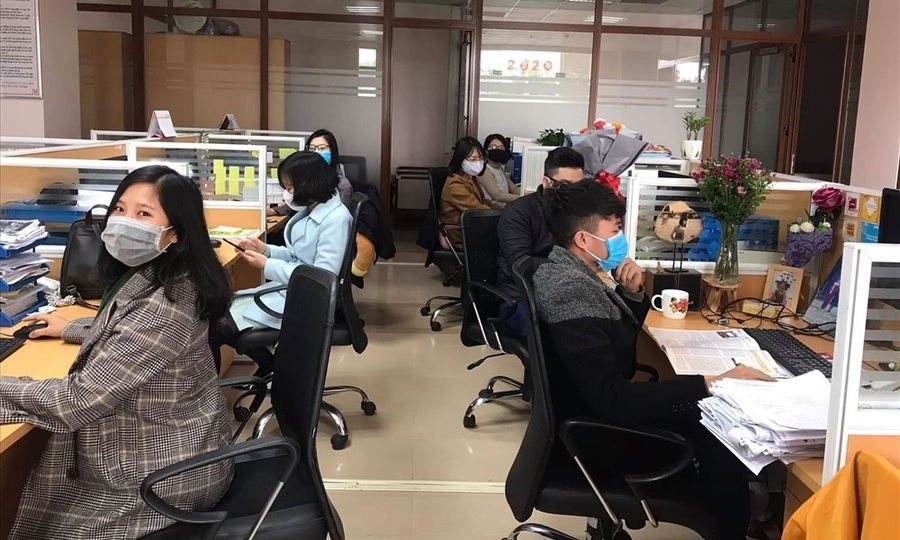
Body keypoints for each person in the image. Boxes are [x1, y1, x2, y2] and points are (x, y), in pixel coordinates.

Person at [531, 180, 775, 540]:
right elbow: (611, 397)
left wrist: (631, 294)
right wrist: (710, 383)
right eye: (614, 230)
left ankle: (746, 510)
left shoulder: (568, 271)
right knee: (719, 428)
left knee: (708, 410)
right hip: (595, 437)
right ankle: (733, 522)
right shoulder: (569, 288)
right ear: (583, 239)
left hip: (592, 415)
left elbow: (611, 345)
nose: (620, 238)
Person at [0, 165, 233, 539]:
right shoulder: (162, 273)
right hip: (171, 449)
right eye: (120, 209)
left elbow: (76, 402)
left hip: (159, 477)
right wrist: (71, 327)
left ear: (175, 233)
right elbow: (130, 334)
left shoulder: (165, 304)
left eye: (144, 214)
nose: (125, 222)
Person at [228, 151, 352, 375]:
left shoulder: (336, 219)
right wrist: (265, 249)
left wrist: (267, 265)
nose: (287, 193)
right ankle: (271, 366)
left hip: (308, 301)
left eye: (290, 187)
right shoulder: (314, 209)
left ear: (309, 184)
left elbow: (321, 276)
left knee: (219, 325)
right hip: (293, 291)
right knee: (220, 315)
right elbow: (298, 255)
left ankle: (269, 367)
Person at [496, 147, 585, 336]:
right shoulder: (518, 212)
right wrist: (571, 266)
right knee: (561, 335)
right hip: (522, 296)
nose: (572, 193)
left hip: (566, 291)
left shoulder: (578, 214)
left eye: (577, 187)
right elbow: (520, 265)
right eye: (565, 185)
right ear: (546, 182)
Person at [267, 128, 353, 216]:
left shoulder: (342, 185)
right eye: (312, 148)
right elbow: (299, 203)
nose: (316, 152)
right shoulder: (305, 179)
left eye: (322, 148)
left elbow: (339, 217)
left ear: (332, 151)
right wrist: (274, 211)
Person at [439, 136, 504, 247]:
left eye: (481, 158)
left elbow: (483, 202)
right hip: (462, 233)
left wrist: (505, 211)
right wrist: (501, 215)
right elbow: (477, 210)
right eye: (473, 159)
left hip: (472, 228)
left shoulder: (470, 177)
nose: (478, 162)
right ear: (460, 160)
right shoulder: (455, 184)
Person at [477, 134, 520, 207]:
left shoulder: (499, 168)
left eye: (501, 147)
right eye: (493, 147)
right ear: (486, 150)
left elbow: (513, 189)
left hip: (503, 209)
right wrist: (523, 198)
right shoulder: (485, 170)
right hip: (492, 211)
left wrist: (532, 194)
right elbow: (498, 196)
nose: (497, 150)